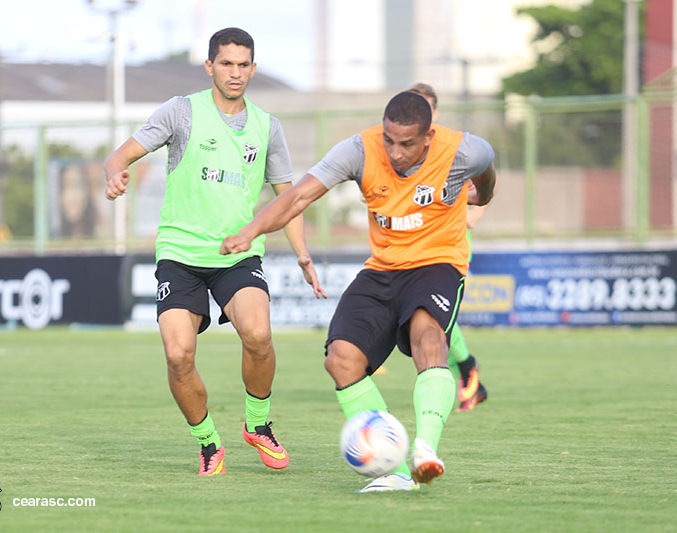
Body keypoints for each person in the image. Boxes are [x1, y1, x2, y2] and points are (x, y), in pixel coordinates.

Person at [221, 91, 496, 492]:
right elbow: (298, 195)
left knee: (428, 337)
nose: (395, 152)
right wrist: (249, 232)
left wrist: (478, 196)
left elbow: (486, 174)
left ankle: (425, 450)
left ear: (428, 136)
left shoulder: (464, 150)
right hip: (382, 269)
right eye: (389, 139)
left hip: (437, 264)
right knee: (341, 359)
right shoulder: (359, 150)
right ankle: (395, 471)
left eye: (406, 143)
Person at [104, 27, 326, 476]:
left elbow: (291, 200)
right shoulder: (182, 112)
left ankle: (258, 424)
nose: (235, 72)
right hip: (180, 254)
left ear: (253, 68)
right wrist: (114, 172)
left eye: (244, 64)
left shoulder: (267, 127)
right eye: (226, 63)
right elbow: (121, 154)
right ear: (210, 66)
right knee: (178, 355)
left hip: (237, 254)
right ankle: (207, 442)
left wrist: (303, 255)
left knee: (259, 336)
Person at [408, 82, 488, 412]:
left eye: (424, 109)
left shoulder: (456, 148)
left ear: (435, 113)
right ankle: (468, 378)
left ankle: (466, 370)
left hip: (450, 245)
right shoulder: (401, 149)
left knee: (436, 318)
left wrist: (475, 212)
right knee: (426, 318)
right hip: (414, 245)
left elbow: (486, 180)